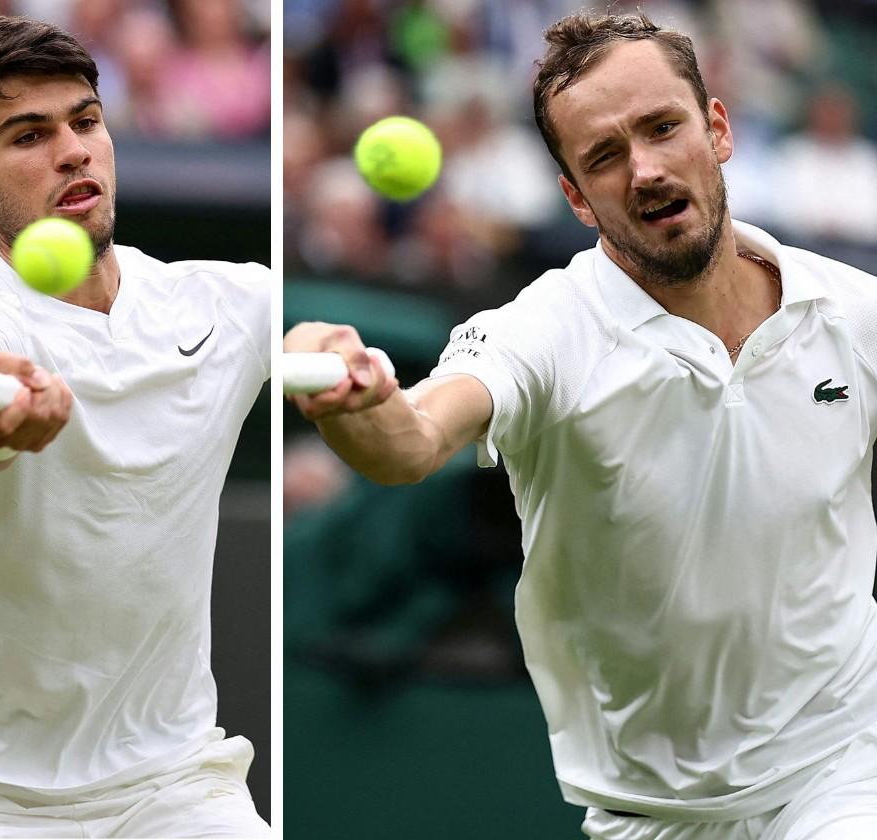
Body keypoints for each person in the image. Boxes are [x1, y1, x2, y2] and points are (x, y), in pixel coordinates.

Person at [285, 11, 877, 840]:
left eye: (663, 128)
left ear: (717, 129)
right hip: (651, 807)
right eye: (604, 156)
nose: (645, 170)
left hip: (845, 766)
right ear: (576, 198)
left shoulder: (854, 313)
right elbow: (410, 441)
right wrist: (352, 399)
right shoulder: (545, 331)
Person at [0, 14, 270, 838]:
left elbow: (300, 334)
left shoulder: (225, 302)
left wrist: (325, 345)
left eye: (86, 121)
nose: (74, 151)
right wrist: (2, 414)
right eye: (29, 135)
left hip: (172, 782)